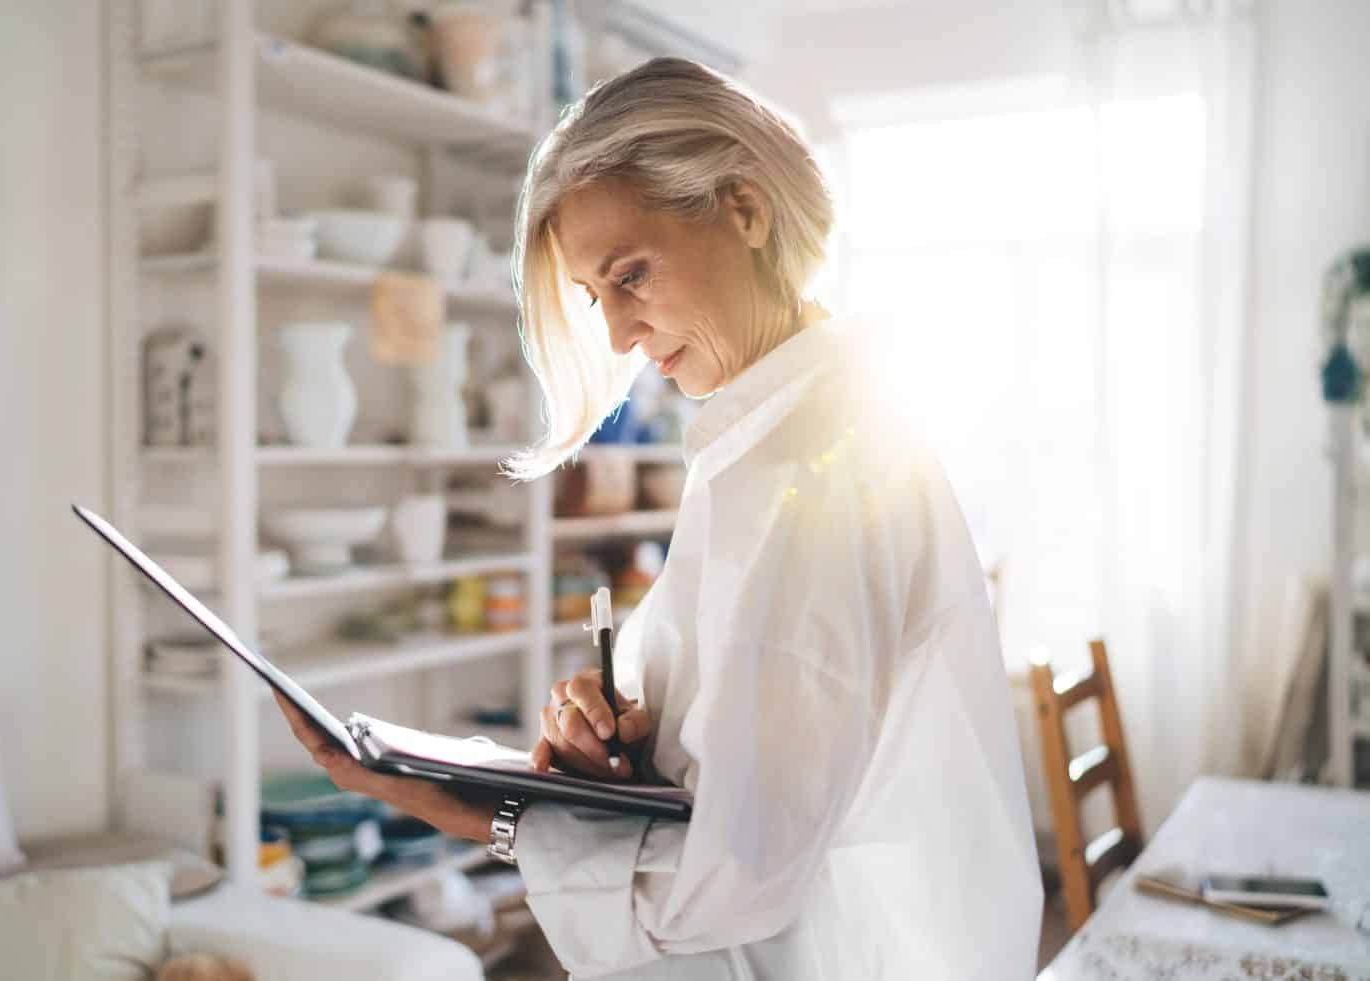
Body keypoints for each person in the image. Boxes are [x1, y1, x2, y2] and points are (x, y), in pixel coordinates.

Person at [274, 57, 1042, 978]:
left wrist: (481, 806)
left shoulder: (817, 475)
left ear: (745, 211)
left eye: (630, 274)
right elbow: (729, 741)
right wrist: (610, 731)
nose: (618, 336)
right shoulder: (764, 443)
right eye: (596, 298)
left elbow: (725, 883)